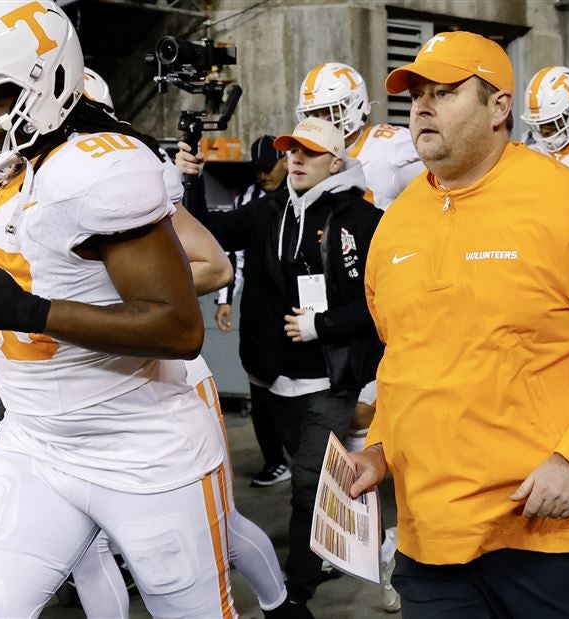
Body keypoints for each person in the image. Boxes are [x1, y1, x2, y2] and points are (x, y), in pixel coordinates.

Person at [346, 32, 569, 619]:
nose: (423, 107)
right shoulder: (397, 224)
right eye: (418, 95)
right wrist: (380, 448)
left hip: (551, 532)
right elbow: (407, 361)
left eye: (447, 93)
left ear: (499, 107)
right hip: (433, 537)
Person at [0, 3, 234, 615]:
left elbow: (177, 326)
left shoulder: (96, 172)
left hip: (142, 447)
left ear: (49, 86)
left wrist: (33, 313)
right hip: (33, 441)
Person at [65, 68, 302, 619]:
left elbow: (213, 264)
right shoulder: (21, 184)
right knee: (90, 542)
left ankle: (282, 605)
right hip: (76, 383)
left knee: (214, 525)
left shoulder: (125, 173)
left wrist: (110, 297)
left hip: (156, 376)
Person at [177, 116, 384, 611]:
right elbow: (211, 231)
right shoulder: (269, 209)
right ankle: (350, 543)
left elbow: (382, 303)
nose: (295, 157)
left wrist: (324, 325)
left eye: (309, 152)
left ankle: (297, 594)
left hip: (330, 379)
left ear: (336, 161)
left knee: (310, 485)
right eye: (292, 149)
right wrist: (189, 182)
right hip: (273, 379)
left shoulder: (364, 219)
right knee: (308, 477)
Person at [215, 135, 292, 488]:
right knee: (259, 385)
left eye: (268, 168)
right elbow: (232, 255)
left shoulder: (302, 192)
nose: (262, 176)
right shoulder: (248, 199)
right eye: (257, 170)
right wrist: (224, 299)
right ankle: (275, 460)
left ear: (286, 161)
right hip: (259, 304)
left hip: (295, 307)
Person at [294, 62, 425, 211]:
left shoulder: (391, 147)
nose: (321, 123)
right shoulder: (302, 156)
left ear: (355, 106)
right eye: (314, 114)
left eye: (330, 112)